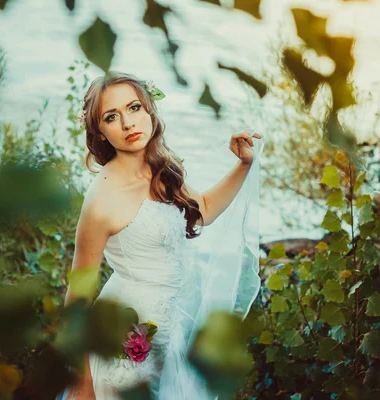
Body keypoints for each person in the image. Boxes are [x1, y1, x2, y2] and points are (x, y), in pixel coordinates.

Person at [59, 72, 264, 399]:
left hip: (171, 329)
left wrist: (243, 165)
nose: (128, 123)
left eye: (134, 108)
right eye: (112, 117)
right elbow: (78, 297)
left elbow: (206, 208)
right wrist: (82, 383)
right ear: (99, 130)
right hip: (127, 339)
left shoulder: (158, 170)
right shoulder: (101, 201)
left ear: (150, 110)